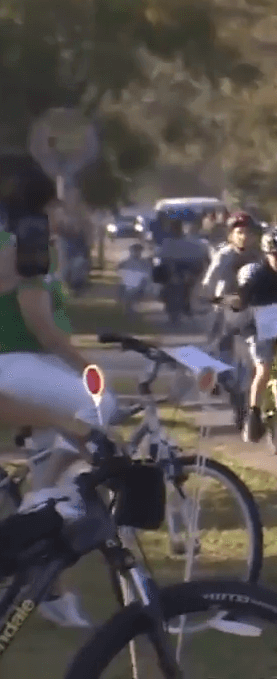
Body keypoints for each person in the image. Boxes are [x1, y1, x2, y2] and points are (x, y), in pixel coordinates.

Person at [0, 152, 120, 628]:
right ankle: (39, 500)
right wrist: (92, 372)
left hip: (30, 363)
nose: (60, 214)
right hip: (15, 363)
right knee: (101, 405)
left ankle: (50, 589)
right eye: (53, 204)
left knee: (66, 465)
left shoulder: (23, 242)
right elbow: (42, 327)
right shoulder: (24, 246)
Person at [227, 228, 277, 442]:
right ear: (266, 255)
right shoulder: (259, 275)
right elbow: (244, 294)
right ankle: (253, 414)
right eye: (275, 256)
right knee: (263, 368)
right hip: (258, 327)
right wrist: (238, 302)